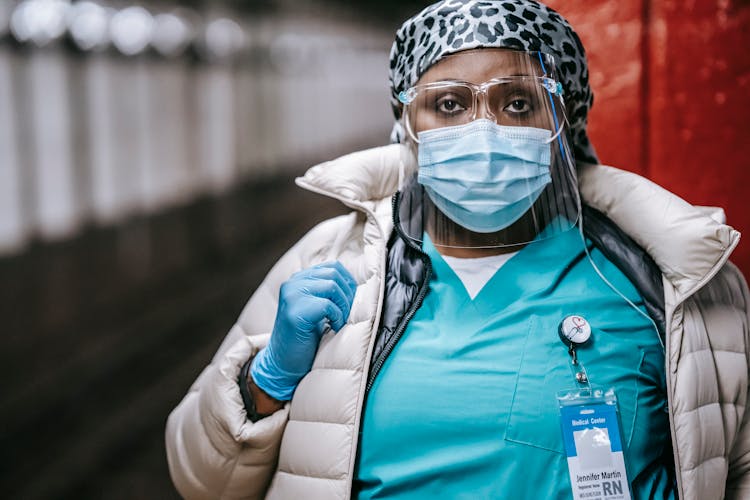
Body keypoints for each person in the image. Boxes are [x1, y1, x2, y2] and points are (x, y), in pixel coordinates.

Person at [165, 1, 750, 499]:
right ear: (405, 122)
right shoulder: (330, 261)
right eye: (449, 105)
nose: (485, 129)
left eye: (518, 103)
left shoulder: (675, 283)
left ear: (562, 119)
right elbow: (201, 482)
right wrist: (267, 381)